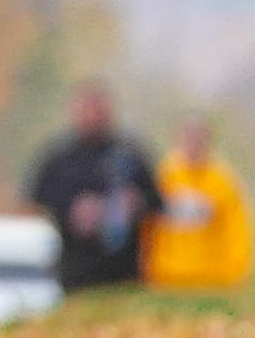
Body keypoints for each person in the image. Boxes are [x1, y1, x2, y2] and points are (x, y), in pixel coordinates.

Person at [26, 81, 163, 296]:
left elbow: (157, 203)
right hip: (76, 272)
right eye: (86, 108)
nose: (92, 115)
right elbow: (35, 200)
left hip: (124, 273)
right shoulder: (59, 157)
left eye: (97, 108)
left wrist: (135, 204)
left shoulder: (130, 154)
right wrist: (72, 209)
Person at [142, 116, 255, 292]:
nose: (193, 144)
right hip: (167, 277)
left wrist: (237, 273)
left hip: (213, 280)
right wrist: (146, 269)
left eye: (198, 139)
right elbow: (148, 226)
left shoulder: (223, 181)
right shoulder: (163, 177)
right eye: (188, 138)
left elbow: (237, 230)